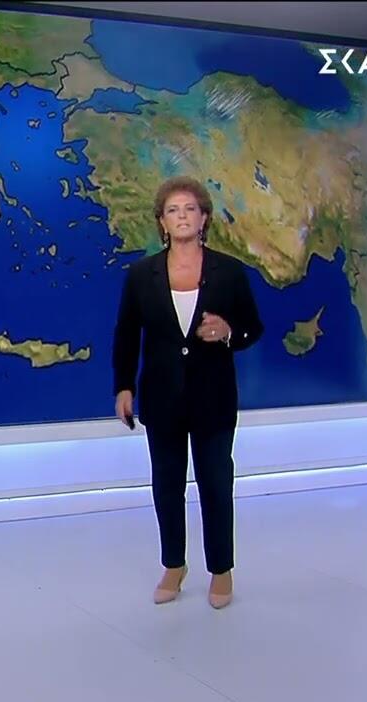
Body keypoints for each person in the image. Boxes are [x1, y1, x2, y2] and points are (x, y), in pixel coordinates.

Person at [112, 176, 263, 610]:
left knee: (216, 484)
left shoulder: (228, 272)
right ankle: (174, 566)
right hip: (162, 399)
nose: (182, 217)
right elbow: (127, 335)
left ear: (204, 219)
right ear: (162, 222)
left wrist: (229, 331)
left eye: (190, 209)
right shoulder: (141, 276)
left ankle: (221, 570)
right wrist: (123, 386)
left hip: (213, 399)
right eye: (173, 210)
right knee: (167, 486)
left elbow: (253, 327)